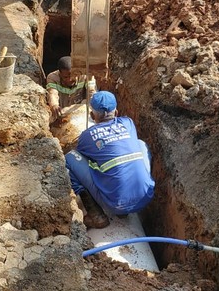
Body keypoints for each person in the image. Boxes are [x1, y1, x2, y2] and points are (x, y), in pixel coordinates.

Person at [65, 91, 155, 227]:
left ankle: (96, 215)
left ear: (91, 115)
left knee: (71, 157)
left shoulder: (86, 136)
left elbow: (85, 157)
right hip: (145, 198)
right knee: (141, 144)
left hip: (114, 203)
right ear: (116, 112)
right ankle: (129, 202)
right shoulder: (129, 123)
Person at [46, 56, 91, 121]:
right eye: (65, 77)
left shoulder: (85, 75)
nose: (69, 80)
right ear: (60, 74)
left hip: (80, 113)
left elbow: (92, 92)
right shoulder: (52, 78)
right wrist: (54, 105)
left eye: (72, 75)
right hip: (61, 115)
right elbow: (52, 93)